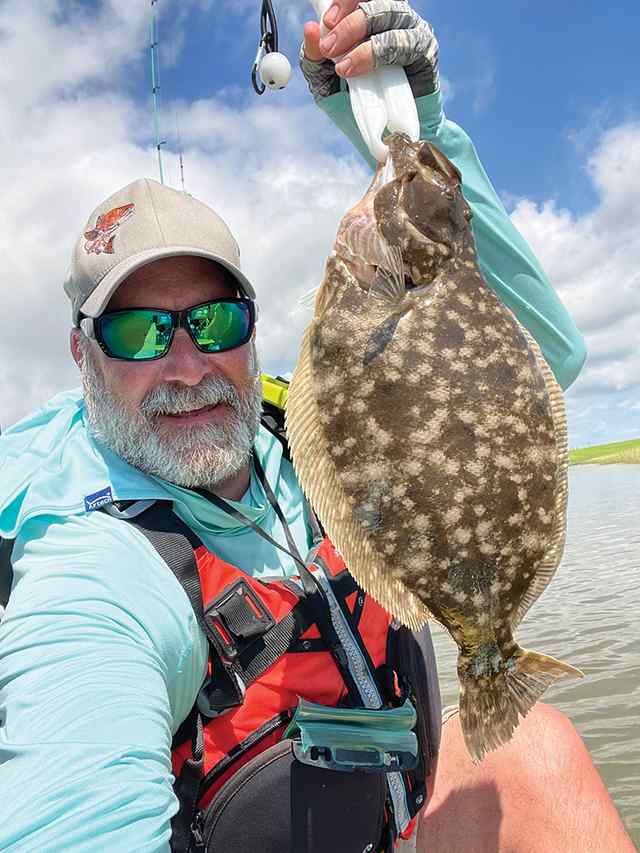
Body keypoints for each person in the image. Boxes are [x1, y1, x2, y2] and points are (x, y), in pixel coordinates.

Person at [0, 2, 634, 851]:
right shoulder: (96, 567)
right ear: (82, 354)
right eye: (139, 332)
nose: (186, 366)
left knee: (541, 750)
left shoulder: (292, 433)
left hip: (397, 811)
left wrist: (419, 124)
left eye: (214, 321)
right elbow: (71, 801)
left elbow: (541, 360)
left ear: (252, 327)